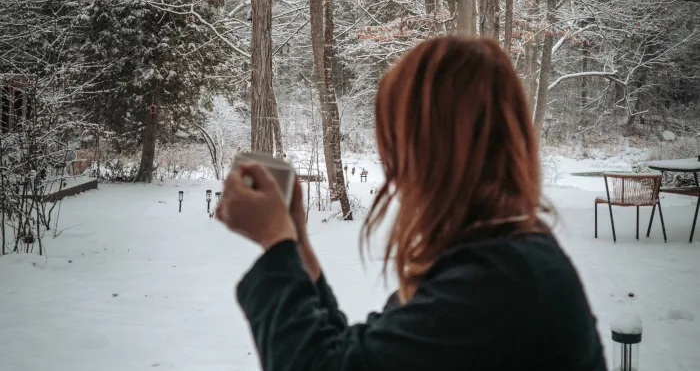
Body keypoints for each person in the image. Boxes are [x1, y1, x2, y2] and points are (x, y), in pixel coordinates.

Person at [216, 36, 607, 371]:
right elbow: (354, 357)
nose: (393, 167)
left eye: (397, 140)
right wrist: (296, 243)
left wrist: (275, 241)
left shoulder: (501, 280)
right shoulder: (501, 255)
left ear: (433, 147)